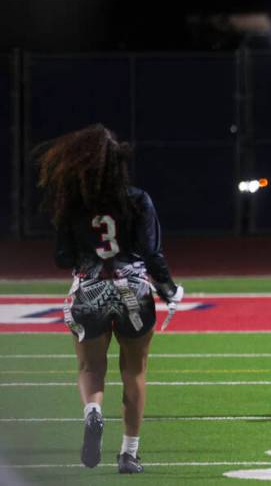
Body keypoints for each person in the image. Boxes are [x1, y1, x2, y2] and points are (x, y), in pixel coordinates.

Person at [35, 124, 183, 474]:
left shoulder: (72, 205)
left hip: (89, 291)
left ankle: (93, 412)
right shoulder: (137, 199)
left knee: (90, 368)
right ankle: (129, 454)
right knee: (134, 371)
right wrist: (169, 288)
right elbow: (152, 252)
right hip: (132, 289)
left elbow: (61, 257)